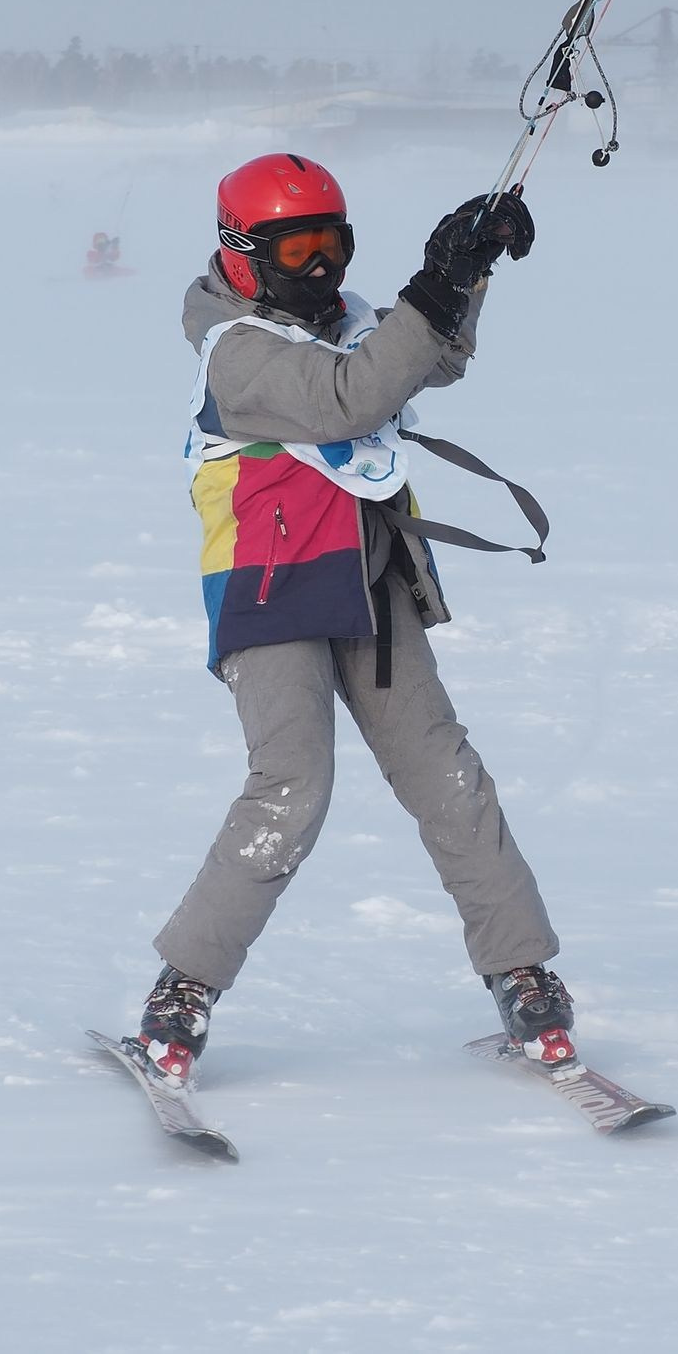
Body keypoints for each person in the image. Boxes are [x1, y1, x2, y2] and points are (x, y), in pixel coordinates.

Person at [135, 152, 568, 1083]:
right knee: (291, 789)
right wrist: (430, 286)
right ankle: (183, 992)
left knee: (445, 772)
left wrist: (470, 263)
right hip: (269, 587)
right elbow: (353, 398)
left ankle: (525, 977)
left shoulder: (345, 320)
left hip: (369, 578)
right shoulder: (237, 351)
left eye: (335, 244)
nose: (323, 268)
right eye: (300, 249)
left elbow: (433, 355)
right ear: (246, 256)